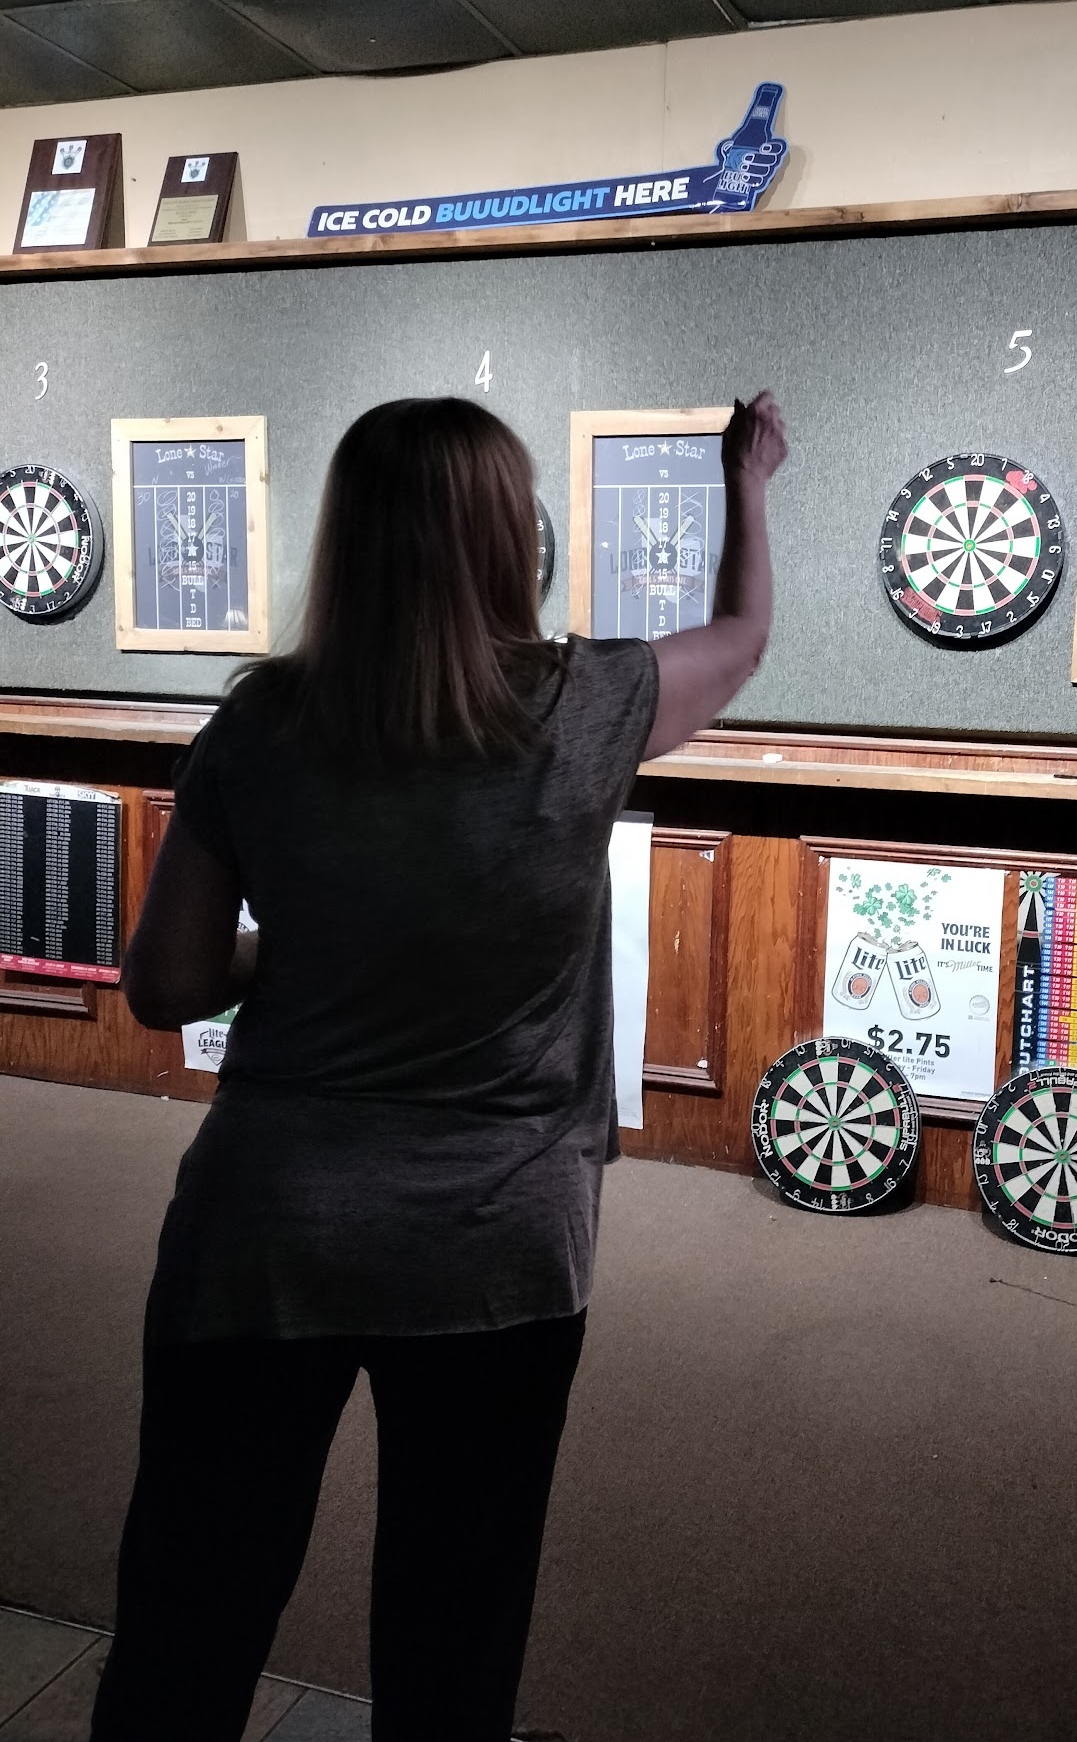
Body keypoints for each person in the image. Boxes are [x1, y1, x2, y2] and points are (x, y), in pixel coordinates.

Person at [89, 389, 788, 1742]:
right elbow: (744, 636)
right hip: (498, 1246)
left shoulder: (260, 725)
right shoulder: (587, 703)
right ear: (509, 537)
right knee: (452, 1636)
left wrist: (285, 954)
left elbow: (167, 985)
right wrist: (745, 483)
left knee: (190, 1616)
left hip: (266, 1229)